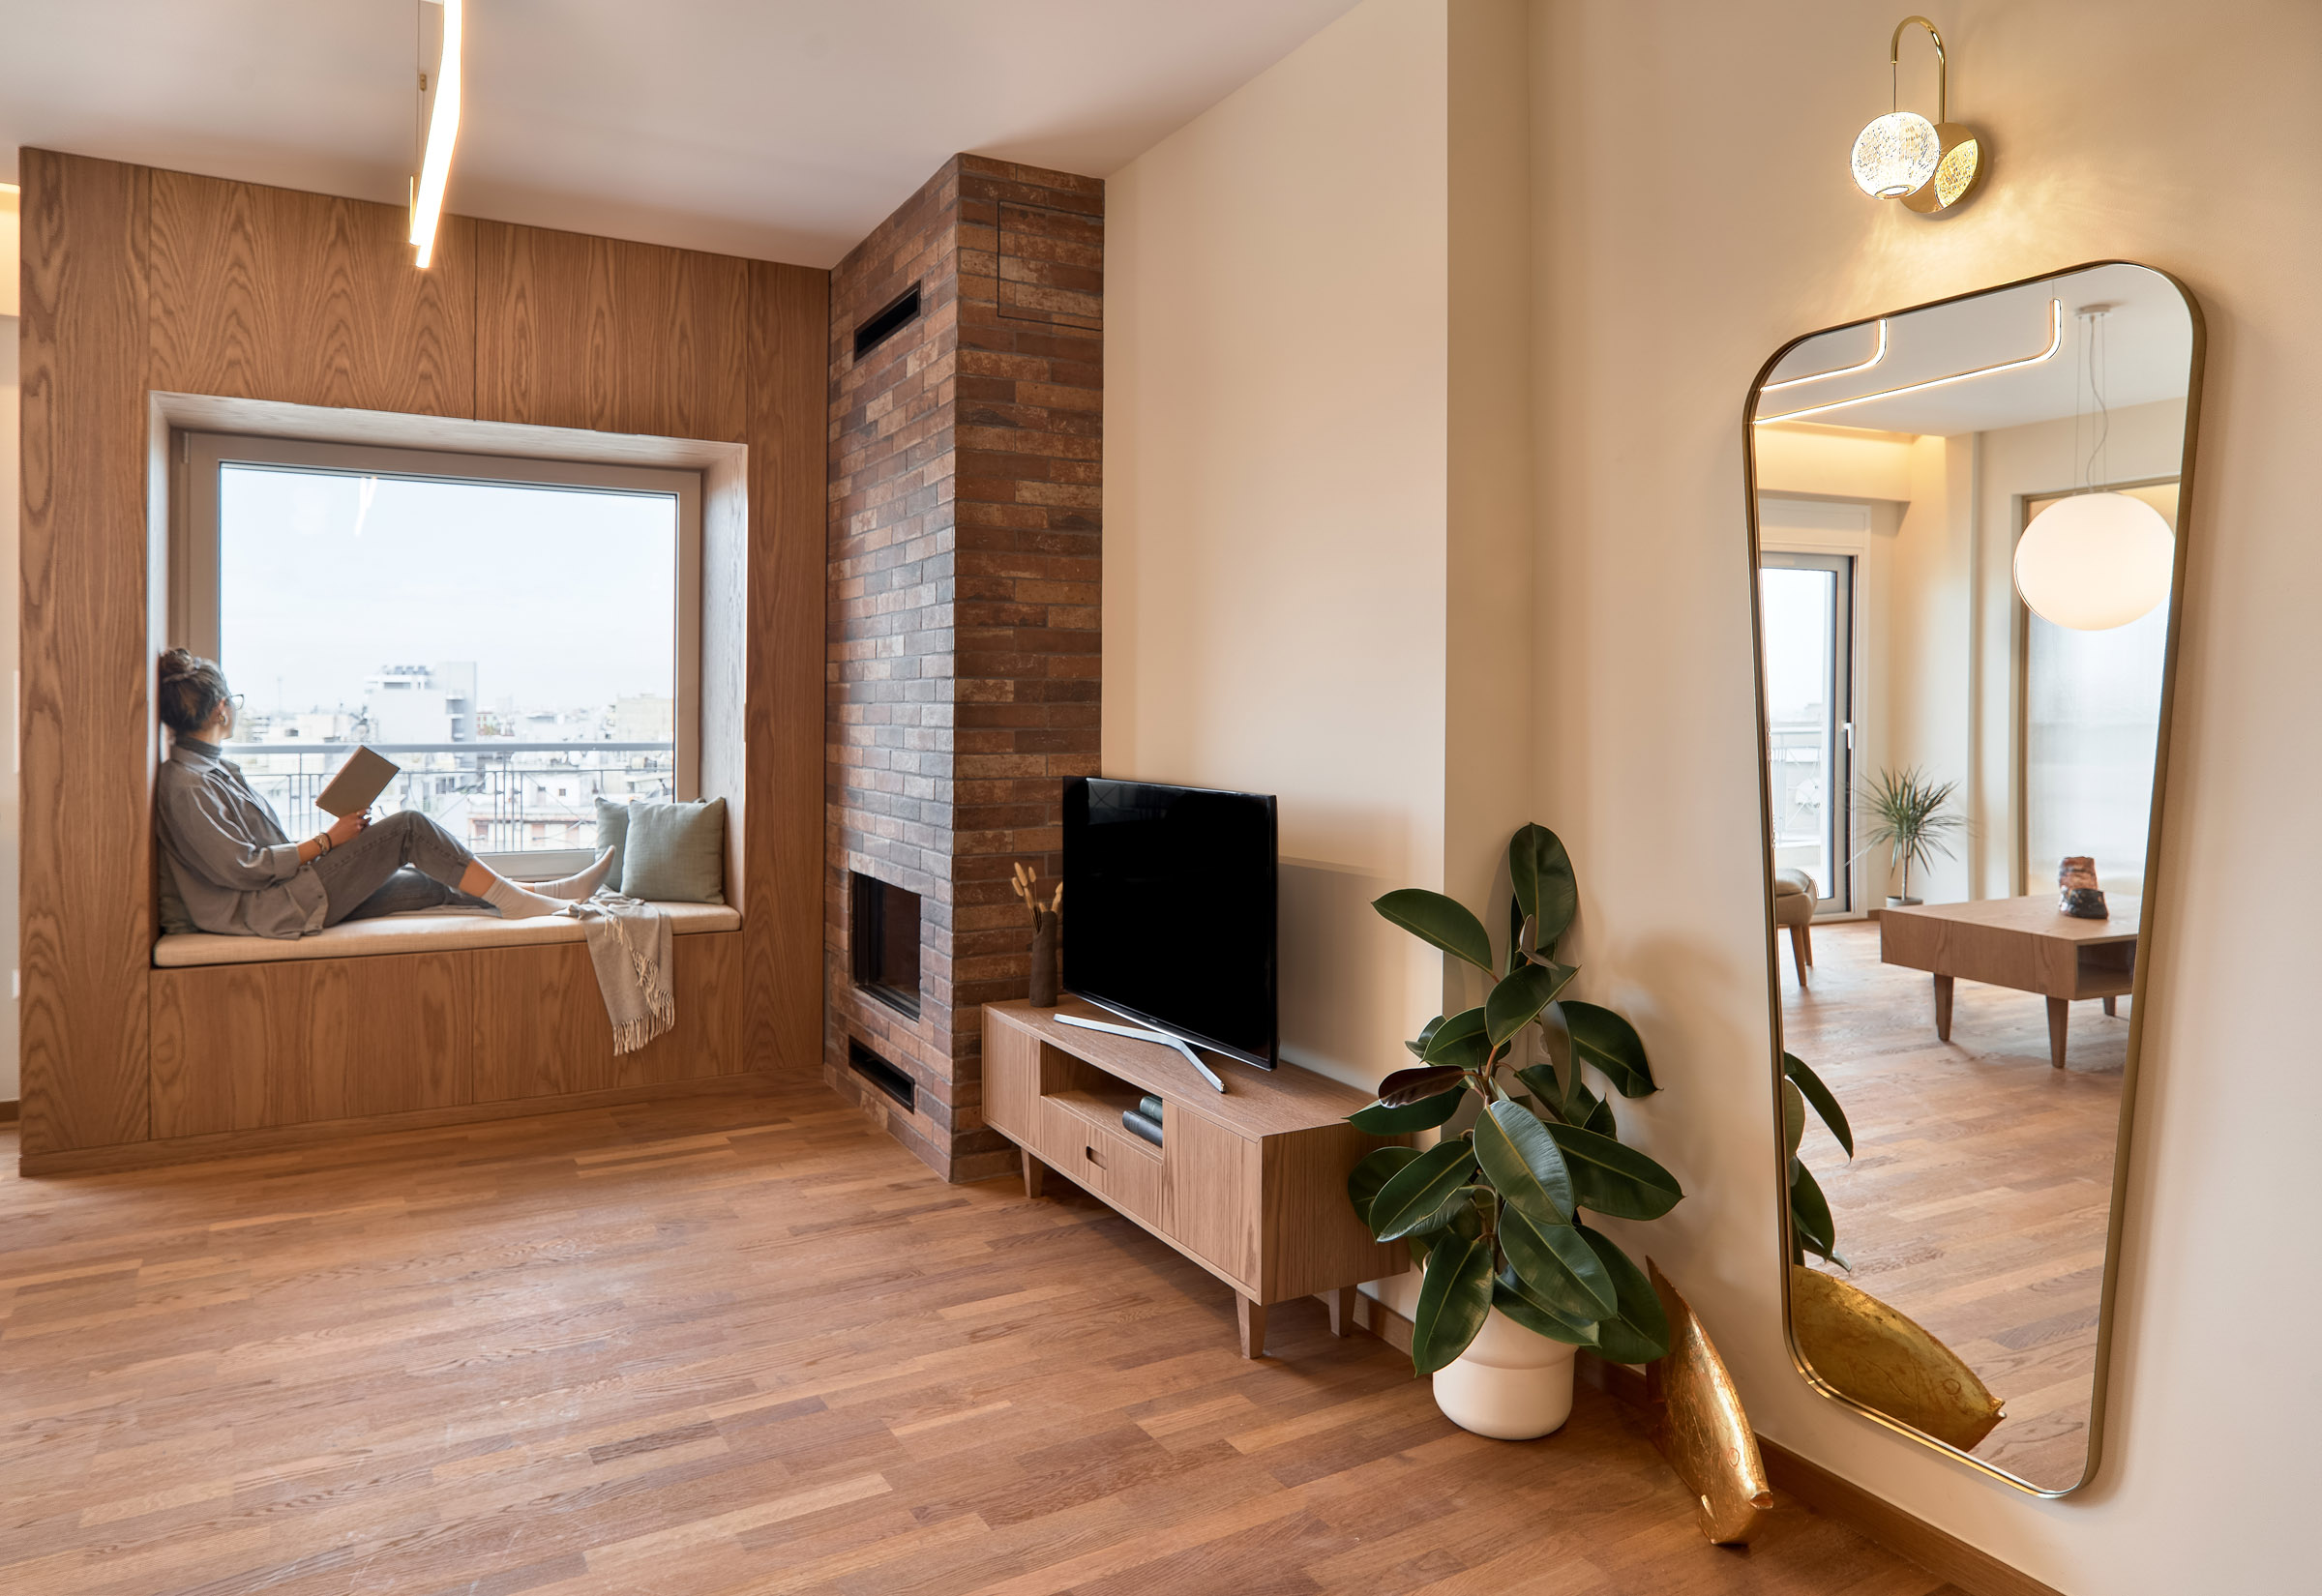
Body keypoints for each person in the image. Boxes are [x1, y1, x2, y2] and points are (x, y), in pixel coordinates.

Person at [153, 649, 614, 938]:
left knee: (431, 880)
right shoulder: (188, 784)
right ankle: (521, 904)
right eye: (234, 701)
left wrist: (336, 842)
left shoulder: (212, 770)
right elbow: (244, 868)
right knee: (409, 827)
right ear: (221, 711)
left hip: (290, 893)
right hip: (276, 909)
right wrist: (328, 841)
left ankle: (546, 891)